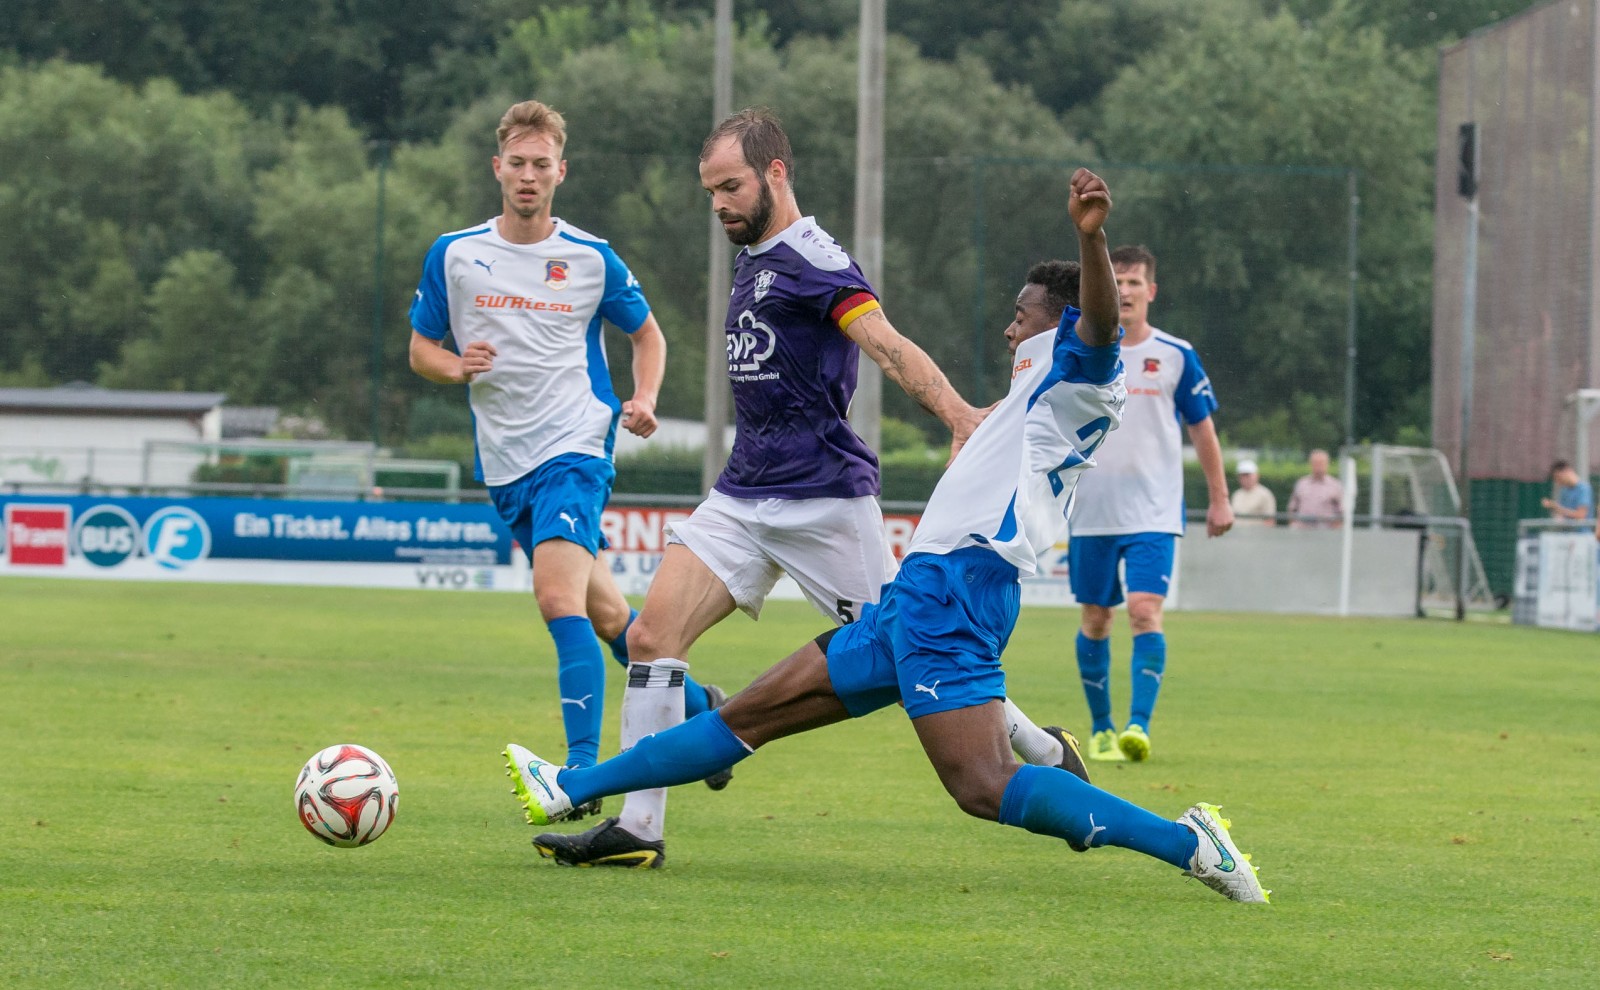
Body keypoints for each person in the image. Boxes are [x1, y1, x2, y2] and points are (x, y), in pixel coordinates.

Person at [506, 168, 1269, 903]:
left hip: (958, 592)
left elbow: (1099, 321)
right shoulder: (1035, 387)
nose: (1010, 323)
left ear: (1059, 321)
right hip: (919, 596)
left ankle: (1190, 843)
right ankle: (569, 786)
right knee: (747, 717)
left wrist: (1092, 243)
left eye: (1022, 312)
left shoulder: (1080, 373)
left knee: (982, 787)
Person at [505, 107, 1084, 866]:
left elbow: (883, 342)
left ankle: (1044, 751)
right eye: (711, 190)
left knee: (917, 655)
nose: (719, 204)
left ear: (776, 173)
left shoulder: (816, 260)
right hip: (744, 492)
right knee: (650, 635)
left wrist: (956, 413)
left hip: (825, 499)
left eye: (731, 187)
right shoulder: (753, 253)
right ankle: (637, 830)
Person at [409, 100, 725, 798]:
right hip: (505, 462)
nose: (528, 175)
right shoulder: (456, 254)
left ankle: (580, 775)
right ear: (498, 168)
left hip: (575, 445)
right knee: (611, 618)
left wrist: (643, 399)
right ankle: (710, 715)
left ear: (561, 171)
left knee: (557, 599)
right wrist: (456, 366)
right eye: (516, 163)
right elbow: (421, 350)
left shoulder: (591, 258)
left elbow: (648, 335)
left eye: (541, 164)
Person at [1066, 244, 1233, 764]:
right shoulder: (1078, 351)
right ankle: (1101, 728)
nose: (1127, 291)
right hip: (1090, 511)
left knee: (1143, 611)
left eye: (1136, 282)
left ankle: (1138, 727)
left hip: (1153, 513)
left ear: (1151, 292)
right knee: (1096, 618)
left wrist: (1220, 499)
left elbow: (1202, 429)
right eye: (1117, 281)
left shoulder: (1176, 355)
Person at [1287, 449, 1344, 529]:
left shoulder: (1335, 485)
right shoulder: (1301, 483)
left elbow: (1341, 512)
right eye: (1316, 463)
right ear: (1310, 464)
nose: (1318, 466)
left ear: (1327, 464)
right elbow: (1292, 508)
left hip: (1326, 532)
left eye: (1321, 463)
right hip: (1302, 531)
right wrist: (1294, 525)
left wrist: (1334, 530)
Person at [1229, 459, 1277, 525]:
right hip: (1237, 533)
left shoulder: (1265, 494)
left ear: (1257, 475)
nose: (1245, 478)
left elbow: (1270, 520)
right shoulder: (1237, 494)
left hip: (1256, 534)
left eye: (1248, 475)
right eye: (1242, 475)